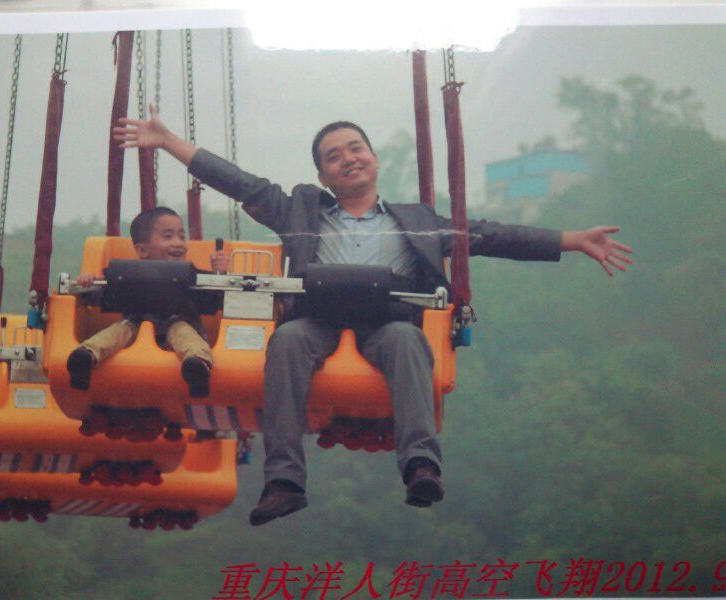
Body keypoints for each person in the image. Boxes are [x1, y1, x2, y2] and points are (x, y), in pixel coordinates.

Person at [113, 105, 633, 526]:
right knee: (287, 341)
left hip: (386, 320)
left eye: (355, 148)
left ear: (374, 158)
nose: (348, 159)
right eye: (334, 156)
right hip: (316, 318)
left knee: (408, 342)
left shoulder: (419, 222)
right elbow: (241, 184)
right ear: (323, 175)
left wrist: (571, 241)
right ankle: (284, 481)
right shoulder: (301, 211)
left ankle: (421, 465)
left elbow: (491, 236)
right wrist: (170, 142)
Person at [66, 206, 229, 397]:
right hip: (137, 330)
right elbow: (98, 297)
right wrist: (89, 282)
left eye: (181, 237)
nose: (178, 243)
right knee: (120, 329)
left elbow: (217, 299)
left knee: (182, 331)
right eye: (168, 237)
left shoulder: (192, 276)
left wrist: (220, 275)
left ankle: (197, 365)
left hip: (178, 331)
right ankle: (85, 357)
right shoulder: (129, 276)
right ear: (143, 250)